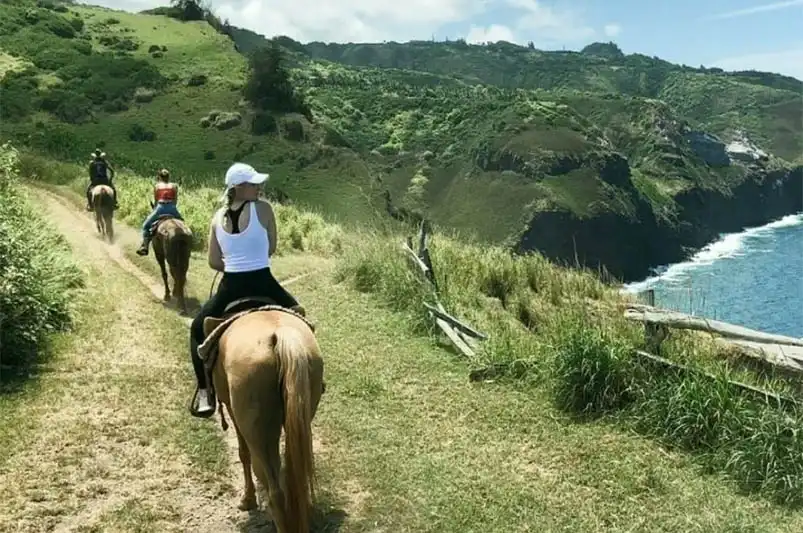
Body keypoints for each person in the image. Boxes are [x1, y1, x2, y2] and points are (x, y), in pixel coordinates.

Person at [189, 162, 306, 416]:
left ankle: (204, 391)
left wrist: (233, 261)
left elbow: (213, 261)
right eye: (253, 184)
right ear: (239, 187)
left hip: (230, 286)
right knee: (300, 317)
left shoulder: (216, 218)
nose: (258, 187)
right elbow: (271, 247)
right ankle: (310, 381)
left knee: (197, 329)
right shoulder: (264, 210)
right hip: (264, 281)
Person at [136, 168, 183, 256]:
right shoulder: (174, 186)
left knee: (145, 226)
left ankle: (144, 247)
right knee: (183, 224)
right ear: (169, 177)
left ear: (160, 177)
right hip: (172, 208)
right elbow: (175, 201)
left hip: (160, 208)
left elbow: (156, 201)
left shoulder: (157, 186)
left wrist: (156, 209)